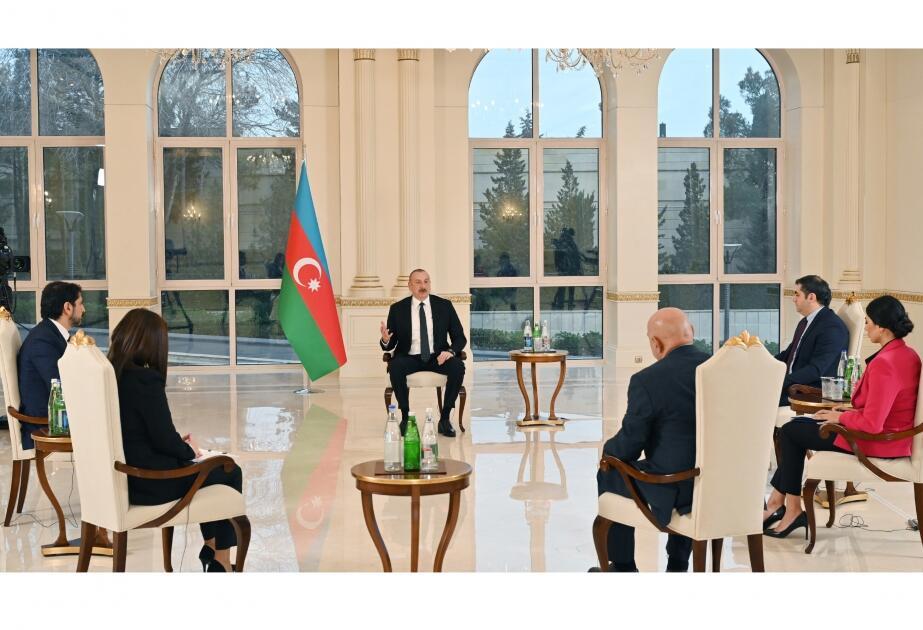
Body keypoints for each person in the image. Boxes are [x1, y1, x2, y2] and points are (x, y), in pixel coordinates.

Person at [763, 295, 920, 539]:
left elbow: (872, 424)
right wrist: (842, 413)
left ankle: (788, 508)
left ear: (882, 327)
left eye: (868, 322)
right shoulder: (907, 354)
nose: (866, 327)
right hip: (892, 438)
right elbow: (884, 409)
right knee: (796, 427)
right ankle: (781, 503)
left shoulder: (886, 364)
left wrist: (840, 419)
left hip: (876, 442)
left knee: (791, 432)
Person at [108, 308, 245, 572]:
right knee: (228, 469)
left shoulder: (114, 375)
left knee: (211, 469)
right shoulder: (145, 380)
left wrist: (178, 445)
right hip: (151, 482)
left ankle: (211, 547)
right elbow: (164, 440)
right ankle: (221, 561)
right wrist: (189, 449)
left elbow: (141, 431)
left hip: (126, 477)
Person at [591, 307, 710, 572]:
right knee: (689, 465)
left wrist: (608, 451)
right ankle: (678, 564)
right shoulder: (720, 370)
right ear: (691, 332)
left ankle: (623, 567)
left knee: (611, 470)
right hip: (723, 484)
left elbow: (630, 446)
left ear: (655, 343)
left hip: (677, 487)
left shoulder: (648, 380)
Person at [379, 269, 467, 438]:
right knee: (395, 366)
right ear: (410, 285)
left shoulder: (444, 306)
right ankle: (405, 417)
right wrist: (385, 340)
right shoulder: (397, 309)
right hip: (409, 357)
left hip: (437, 357)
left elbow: (460, 338)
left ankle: (445, 418)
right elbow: (391, 342)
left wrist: (450, 351)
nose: (423, 286)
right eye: (418, 282)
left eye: (426, 281)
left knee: (457, 366)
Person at [17, 281, 84, 449]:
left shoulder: (50, 334)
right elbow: (59, 386)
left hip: (57, 417)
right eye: (80, 303)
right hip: (46, 425)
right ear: (67, 307)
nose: (83, 309)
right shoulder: (42, 340)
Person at [774, 275, 849, 406]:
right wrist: (764, 364)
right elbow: (789, 354)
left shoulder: (832, 327)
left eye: (797, 294)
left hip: (807, 392)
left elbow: (816, 370)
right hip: (792, 385)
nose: (793, 299)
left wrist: (781, 381)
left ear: (811, 297)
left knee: (753, 397)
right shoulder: (805, 322)